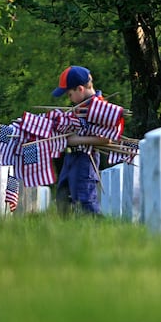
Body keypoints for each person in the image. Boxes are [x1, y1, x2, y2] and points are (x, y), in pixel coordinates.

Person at [52, 65, 111, 215]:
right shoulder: (80, 106)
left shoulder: (99, 108)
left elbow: (107, 138)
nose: (69, 99)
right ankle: (65, 232)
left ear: (80, 89)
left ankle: (97, 229)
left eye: (69, 94)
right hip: (71, 157)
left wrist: (75, 140)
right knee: (62, 196)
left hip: (86, 159)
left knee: (85, 199)